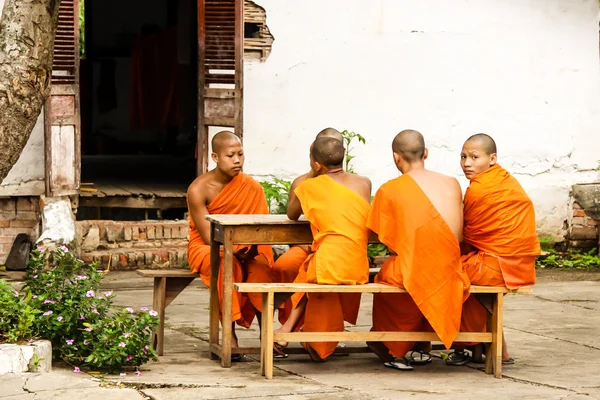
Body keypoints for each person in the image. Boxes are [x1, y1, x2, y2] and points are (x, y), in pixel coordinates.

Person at [366, 129, 469, 371]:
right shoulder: (452, 183)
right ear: (426, 153)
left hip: (416, 269)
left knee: (389, 275)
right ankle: (421, 346)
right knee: (418, 269)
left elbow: (389, 240)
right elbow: (459, 233)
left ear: (396, 157)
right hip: (449, 267)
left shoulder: (389, 189)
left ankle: (394, 347)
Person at [273, 137, 372, 361]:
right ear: (344, 155)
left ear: (316, 164)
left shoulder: (308, 186)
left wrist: (310, 176)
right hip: (358, 262)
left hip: (331, 261)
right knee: (309, 272)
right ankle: (291, 332)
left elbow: (291, 215)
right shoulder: (364, 183)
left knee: (309, 274)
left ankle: (287, 330)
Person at [448, 133, 541, 366]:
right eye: (463, 157)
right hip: (519, 264)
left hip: (499, 265)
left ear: (492, 158)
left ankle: (460, 343)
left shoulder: (479, 189)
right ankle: (496, 348)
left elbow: (466, 236)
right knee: (461, 273)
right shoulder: (504, 180)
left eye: (474, 157)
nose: (467, 163)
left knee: (447, 274)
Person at [187, 131, 274, 358]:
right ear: (215, 157)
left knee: (260, 269)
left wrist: (249, 251)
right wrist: (235, 252)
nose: (237, 160)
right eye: (231, 155)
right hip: (208, 247)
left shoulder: (251, 187)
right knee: (227, 264)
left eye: (241, 154)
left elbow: (262, 229)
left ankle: (268, 335)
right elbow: (208, 237)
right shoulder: (198, 189)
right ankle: (230, 335)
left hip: (247, 246)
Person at [272, 128, 346, 322]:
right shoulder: (302, 183)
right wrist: (313, 174)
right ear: (313, 151)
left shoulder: (351, 185)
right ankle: (290, 326)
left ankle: (316, 330)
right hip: (306, 246)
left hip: (336, 250)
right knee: (284, 267)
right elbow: (293, 215)